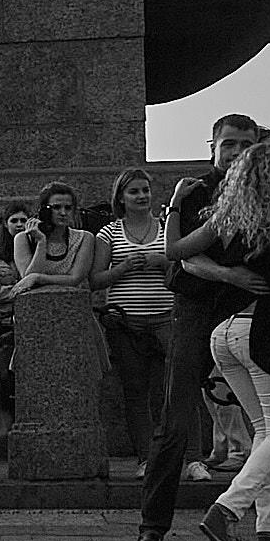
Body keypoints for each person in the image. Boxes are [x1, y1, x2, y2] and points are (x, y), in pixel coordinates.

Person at [135, 115, 270, 541]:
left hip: (229, 330)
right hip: (247, 327)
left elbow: (172, 251)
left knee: (268, 431)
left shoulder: (227, 213)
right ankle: (206, 514)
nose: (236, 152)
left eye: (245, 145)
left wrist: (175, 213)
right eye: (228, 143)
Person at [92, 169, 174, 478]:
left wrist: (162, 261)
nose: (141, 196)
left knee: (174, 389)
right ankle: (146, 458)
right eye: (134, 192)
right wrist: (124, 267)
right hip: (126, 322)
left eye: (145, 190)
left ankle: (189, 458)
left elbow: (182, 267)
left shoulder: (168, 228)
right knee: (136, 390)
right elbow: (96, 279)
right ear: (121, 198)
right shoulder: (109, 233)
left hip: (166, 317)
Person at [11, 182, 93, 295]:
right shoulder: (23, 239)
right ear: (44, 210)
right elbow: (28, 277)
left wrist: (38, 278)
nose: (63, 213)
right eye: (57, 207)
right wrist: (41, 242)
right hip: (33, 302)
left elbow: (75, 278)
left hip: (71, 301)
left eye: (68, 208)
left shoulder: (84, 238)